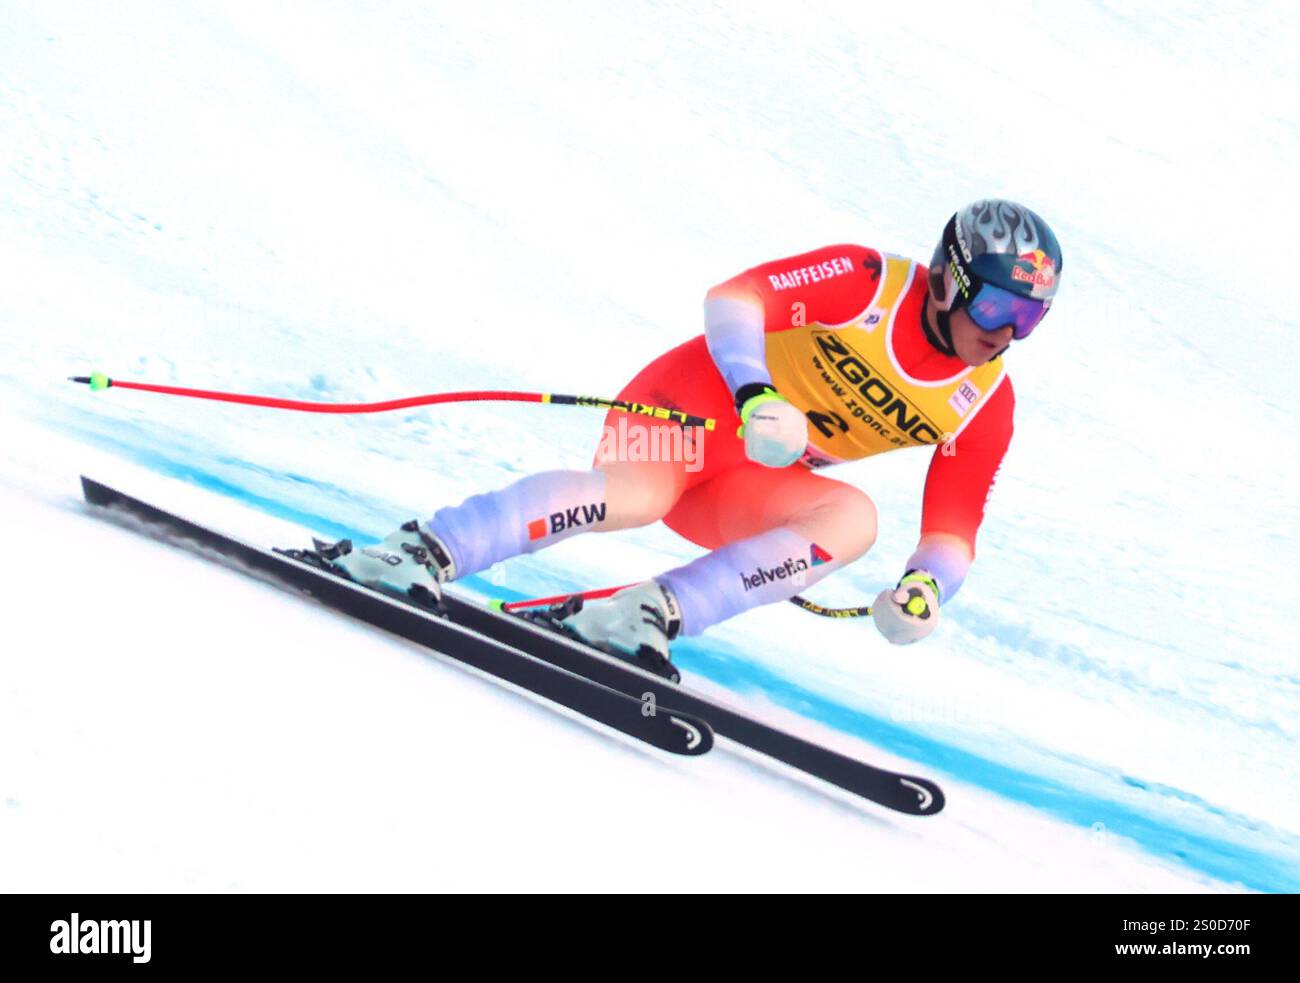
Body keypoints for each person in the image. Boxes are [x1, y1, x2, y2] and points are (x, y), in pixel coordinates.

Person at [333, 199, 1063, 676]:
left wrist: (926, 587)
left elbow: (954, 529)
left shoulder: (985, 402)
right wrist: (755, 390)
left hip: (747, 483)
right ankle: (419, 550)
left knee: (853, 520)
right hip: (684, 414)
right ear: (945, 279)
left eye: (1027, 319)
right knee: (635, 495)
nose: (1003, 332)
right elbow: (735, 297)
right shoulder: (869, 281)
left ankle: (644, 612)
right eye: (996, 303)